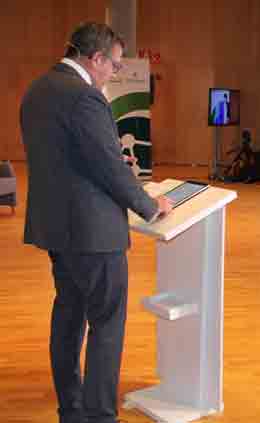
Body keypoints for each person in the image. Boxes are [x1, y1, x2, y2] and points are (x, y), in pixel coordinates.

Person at [20, 22, 173, 423]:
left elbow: (67, 155)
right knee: (106, 324)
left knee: (68, 318)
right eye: (115, 65)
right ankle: (101, 417)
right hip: (93, 234)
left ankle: (71, 410)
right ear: (96, 58)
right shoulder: (86, 96)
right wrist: (150, 205)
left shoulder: (38, 89)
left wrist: (109, 158)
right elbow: (107, 168)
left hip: (57, 228)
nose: (115, 73)